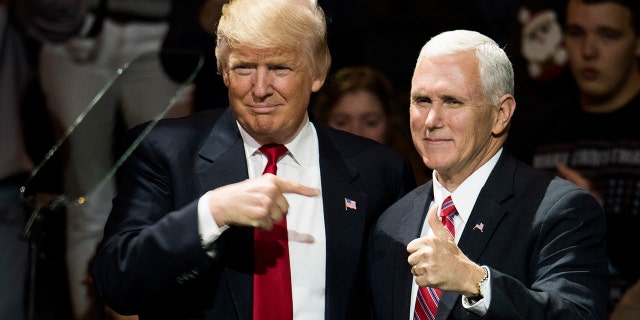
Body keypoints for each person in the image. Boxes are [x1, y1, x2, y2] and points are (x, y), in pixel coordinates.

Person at [91, 0, 416, 318]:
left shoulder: (380, 171)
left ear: (318, 73)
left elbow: (396, 301)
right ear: (223, 72)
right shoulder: (164, 152)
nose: (260, 89)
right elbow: (118, 285)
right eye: (244, 67)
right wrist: (210, 214)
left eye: (279, 67)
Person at [368, 29, 609, 319]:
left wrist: (474, 281)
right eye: (422, 101)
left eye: (452, 101)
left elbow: (578, 315)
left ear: (501, 113)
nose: (431, 120)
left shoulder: (559, 210)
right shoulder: (392, 221)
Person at [523, 0, 640, 313]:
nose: (588, 51)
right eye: (576, 33)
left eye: (608, 35)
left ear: (637, 42)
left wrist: (594, 214)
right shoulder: (537, 135)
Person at [311, 65, 430, 185]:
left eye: (370, 122)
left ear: (390, 124)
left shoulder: (418, 188)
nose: (356, 132)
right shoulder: (309, 179)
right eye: (342, 122)